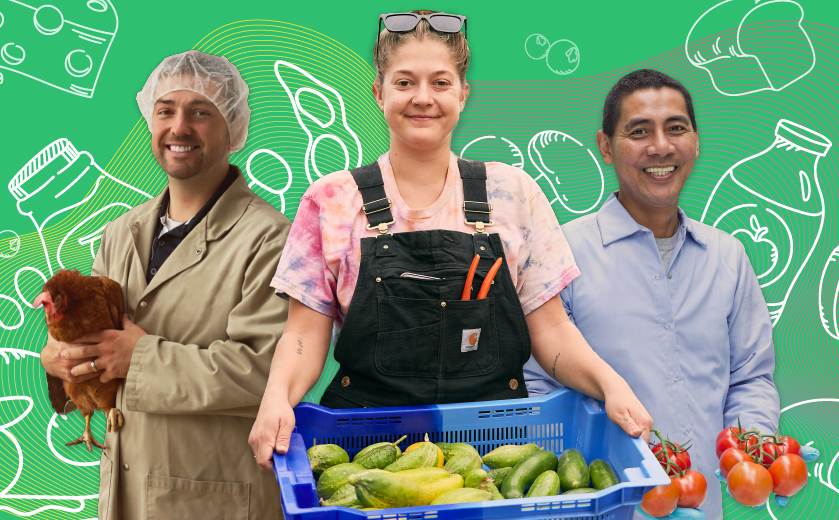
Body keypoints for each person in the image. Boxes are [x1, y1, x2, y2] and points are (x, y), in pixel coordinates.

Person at [249, 10, 653, 471]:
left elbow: (552, 330)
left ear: (463, 93)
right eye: (404, 83)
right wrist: (276, 397)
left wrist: (610, 384)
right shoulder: (332, 201)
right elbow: (303, 334)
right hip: (364, 454)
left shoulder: (513, 194)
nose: (423, 98)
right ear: (379, 92)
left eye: (440, 83)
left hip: (496, 456)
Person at [39, 50, 291, 520]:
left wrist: (141, 357)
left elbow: (268, 374)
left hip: (215, 498)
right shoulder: (121, 232)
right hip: (125, 492)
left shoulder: (270, 238)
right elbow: (98, 338)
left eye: (200, 112)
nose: (179, 127)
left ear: (232, 128)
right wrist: (61, 358)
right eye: (166, 110)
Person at [523, 69, 781, 520]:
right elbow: (535, 388)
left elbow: (750, 378)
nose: (661, 147)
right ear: (606, 147)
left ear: (695, 141)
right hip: (600, 509)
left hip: (703, 506)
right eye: (639, 131)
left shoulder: (728, 256)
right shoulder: (560, 255)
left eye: (676, 128)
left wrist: (750, 450)